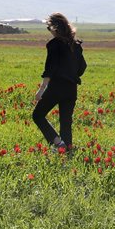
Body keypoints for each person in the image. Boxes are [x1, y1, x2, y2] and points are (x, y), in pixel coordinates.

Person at [31, 12, 86, 152]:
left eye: (49, 28)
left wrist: (42, 89)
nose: (49, 32)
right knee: (65, 122)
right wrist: (71, 74)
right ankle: (66, 149)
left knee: (37, 115)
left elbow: (50, 68)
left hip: (57, 87)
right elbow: (82, 67)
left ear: (55, 28)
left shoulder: (54, 44)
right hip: (71, 88)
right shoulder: (76, 44)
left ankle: (57, 142)